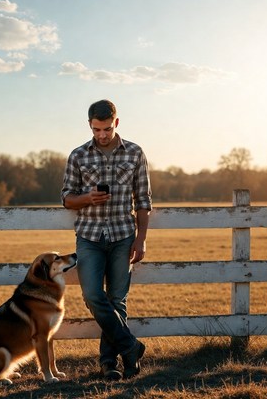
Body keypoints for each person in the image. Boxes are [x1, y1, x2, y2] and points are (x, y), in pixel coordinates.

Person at [61, 99, 152, 380]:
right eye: (96, 129)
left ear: (117, 123)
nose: (102, 134)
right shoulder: (78, 155)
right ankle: (131, 347)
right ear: (90, 124)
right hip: (89, 236)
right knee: (92, 295)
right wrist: (87, 198)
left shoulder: (135, 153)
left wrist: (141, 240)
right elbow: (66, 198)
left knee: (117, 298)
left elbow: (144, 200)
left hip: (124, 235)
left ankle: (111, 363)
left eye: (107, 128)